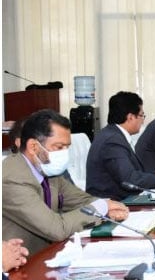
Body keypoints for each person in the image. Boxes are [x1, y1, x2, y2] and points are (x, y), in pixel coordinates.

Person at [2, 109, 129, 255]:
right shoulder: (12, 179)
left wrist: (108, 209)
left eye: (67, 147)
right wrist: (102, 207)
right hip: (22, 267)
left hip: (50, 256)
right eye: (59, 147)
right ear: (33, 147)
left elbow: (84, 201)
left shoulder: (48, 170)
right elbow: (56, 229)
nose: (64, 154)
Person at [86, 92, 155, 200]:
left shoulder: (114, 134)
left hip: (124, 198)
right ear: (130, 117)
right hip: (113, 204)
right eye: (141, 115)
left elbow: (131, 172)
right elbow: (130, 179)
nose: (142, 120)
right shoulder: (112, 141)